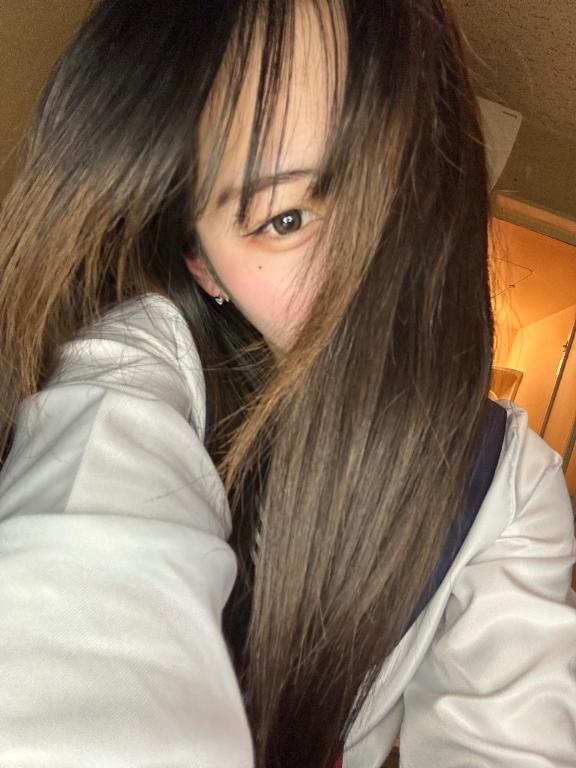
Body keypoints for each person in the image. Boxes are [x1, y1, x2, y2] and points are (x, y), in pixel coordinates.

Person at [0, 1, 575, 767]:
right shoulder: (135, 374)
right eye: (284, 218)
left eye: (402, 179)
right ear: (206, 268)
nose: (383, 263)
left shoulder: (509, 489)